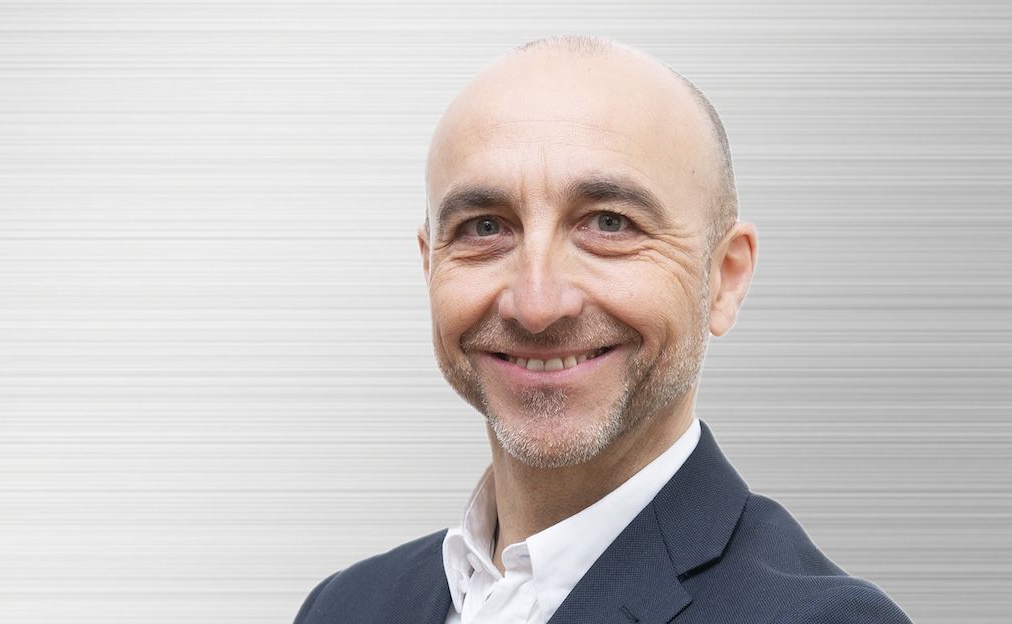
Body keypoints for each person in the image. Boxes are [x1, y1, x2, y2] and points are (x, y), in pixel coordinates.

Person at [294, 35, 913, 624]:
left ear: (724, 278)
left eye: (610, 223)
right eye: (485, 228)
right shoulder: (346, 606)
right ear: (430, 265)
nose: (537, 304)